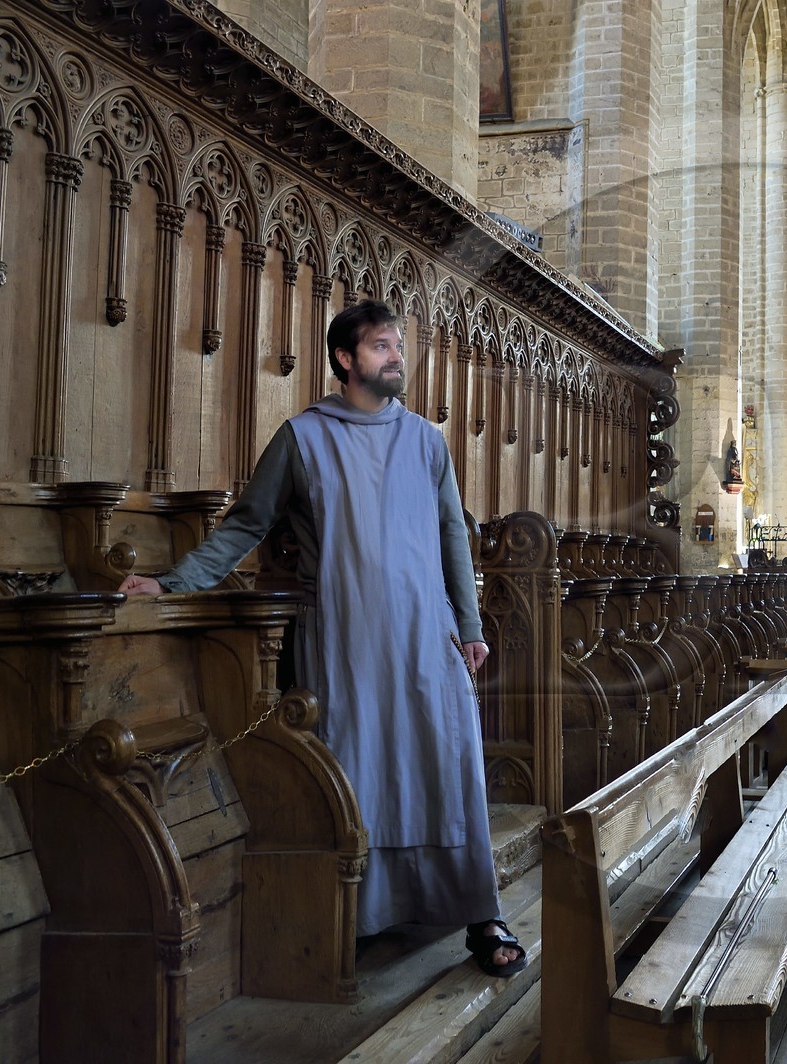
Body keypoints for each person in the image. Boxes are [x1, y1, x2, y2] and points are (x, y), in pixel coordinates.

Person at [120, 300, 525, 978]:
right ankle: (358, 916)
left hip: (428, 638)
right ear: (345, 359)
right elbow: (247, 524)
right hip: (345, 638)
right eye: (380, 346)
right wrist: (173, 583)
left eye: (398, 345)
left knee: (445, 772)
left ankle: (480, 914)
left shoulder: (427, 441)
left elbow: (453, 536)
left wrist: (472, 626)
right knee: (359, 772)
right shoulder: (304, 438)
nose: (396, 356)